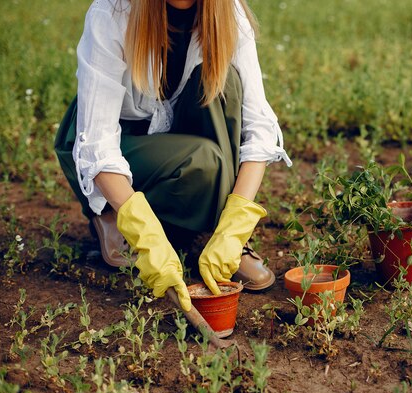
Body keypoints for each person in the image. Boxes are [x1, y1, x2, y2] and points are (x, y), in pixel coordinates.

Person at [54, 0, 291, 312]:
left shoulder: (228, 10)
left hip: (171, 136)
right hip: (116, 142)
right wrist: (145, 236)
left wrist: (236, 226)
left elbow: (258, 125)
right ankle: (110, 213)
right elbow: (97, 143)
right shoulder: (113, 11)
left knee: (225, 84)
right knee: (202, 157)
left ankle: (223, 239)